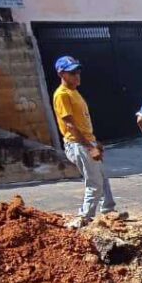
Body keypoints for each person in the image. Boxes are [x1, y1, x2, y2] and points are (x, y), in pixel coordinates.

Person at [52, 55, 116, 228]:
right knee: (94, 183)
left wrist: (95, 142)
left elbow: (82, 121)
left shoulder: (74, 92)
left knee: (103, 177)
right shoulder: (62, 95)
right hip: (78, 144)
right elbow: (70, 124)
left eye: (78, 71)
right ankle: (84, 218)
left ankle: (109, 212)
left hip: (87, 141)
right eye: (72, 73)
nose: (77, 75)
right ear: (62, 74)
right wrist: (89, 147)